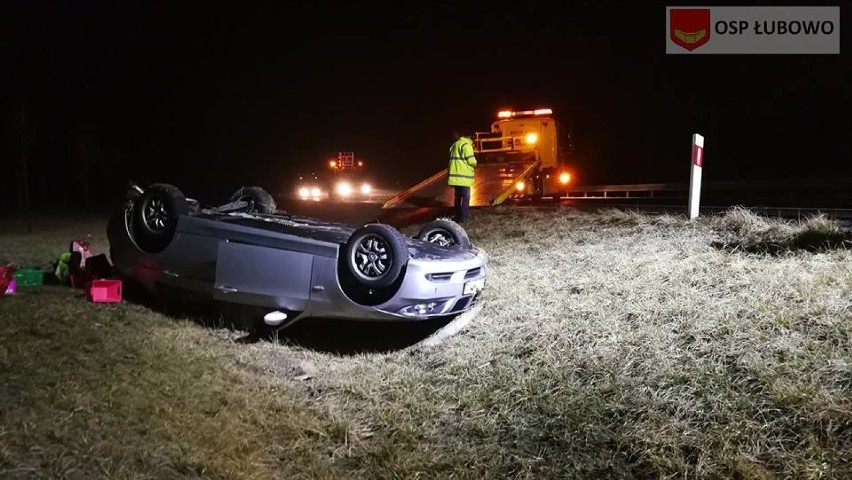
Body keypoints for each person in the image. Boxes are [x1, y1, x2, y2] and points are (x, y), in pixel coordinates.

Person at [447, 131, 477, 223]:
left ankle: (457, 216)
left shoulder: (455, 145)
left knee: (457, 198)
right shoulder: (466, 145)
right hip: (463, 177)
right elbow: (471, 161)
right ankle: (464, 218)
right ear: (469, 138)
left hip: (455, 177)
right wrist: (476, 163)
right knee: (466, 197)